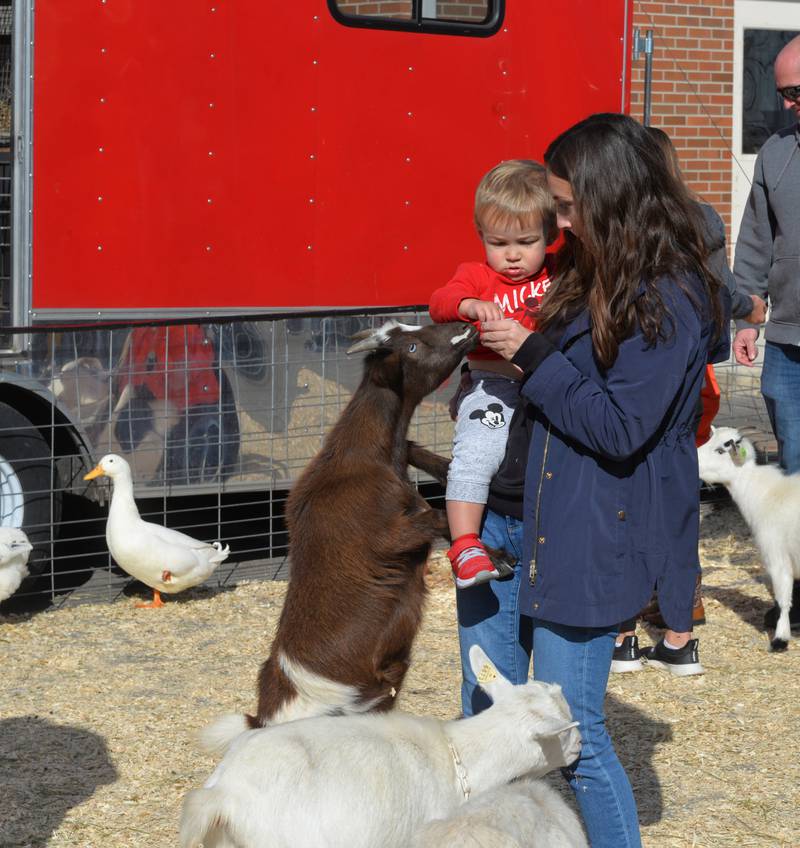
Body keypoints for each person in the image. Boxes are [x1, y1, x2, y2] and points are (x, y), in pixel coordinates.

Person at [473, 112, 727, 848]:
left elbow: (620, 428)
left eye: (566, 205)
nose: (558, 221)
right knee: (514, 718)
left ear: (610, 197)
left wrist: (530, 353)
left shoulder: (667, 297)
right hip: (546, 516)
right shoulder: (602, 269)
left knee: (573, 733)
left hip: (596, 529)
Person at [613, 126, 760, 673]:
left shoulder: (621, 225)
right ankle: (680, 627)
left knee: (625, 499)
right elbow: (718, 299)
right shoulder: (702, 217)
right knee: (676, 505)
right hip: (690, 384)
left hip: (631, 384)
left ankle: (622, 632)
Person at [429, 160, 556, 588]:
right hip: (495, 383)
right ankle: (465, 543)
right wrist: (467, 306)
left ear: (550, 236)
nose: (513, 255)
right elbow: (440, 301)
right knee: (478, 451)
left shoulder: (559, 272)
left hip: (545, 382)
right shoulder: (477, 277)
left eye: (527, 241)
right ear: (481, 236)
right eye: (499, 243)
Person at [732, 34, 800, 631]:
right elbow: (756, 238)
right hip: (787, 339)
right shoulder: (775, 153)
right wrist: (749, 311)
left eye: (798, 92)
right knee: (796, 469)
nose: (790, 106)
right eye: (783, 95)